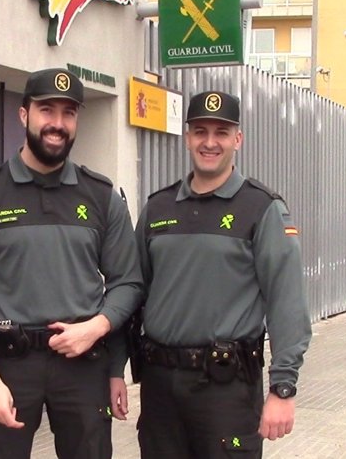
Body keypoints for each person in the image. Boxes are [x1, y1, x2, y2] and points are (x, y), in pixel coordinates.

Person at [0, 68, 143, 459]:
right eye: (46, 110)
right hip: (10, 366)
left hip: (83, 364)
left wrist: (97, 332)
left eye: (68, 113)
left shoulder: (102, 196)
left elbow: (129, 282)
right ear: (24, 115)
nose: (57, 123)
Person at [131, 90, 312, 458]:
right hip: (161, 388)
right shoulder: (158, 207)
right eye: (200, 131)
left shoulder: (262, 208)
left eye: (221, 132)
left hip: (226, 388)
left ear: (237, 139)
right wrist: (115, 371)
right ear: (187, 138)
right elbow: (133, 292)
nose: (209, 142)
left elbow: (286, 302)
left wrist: (283, 388)